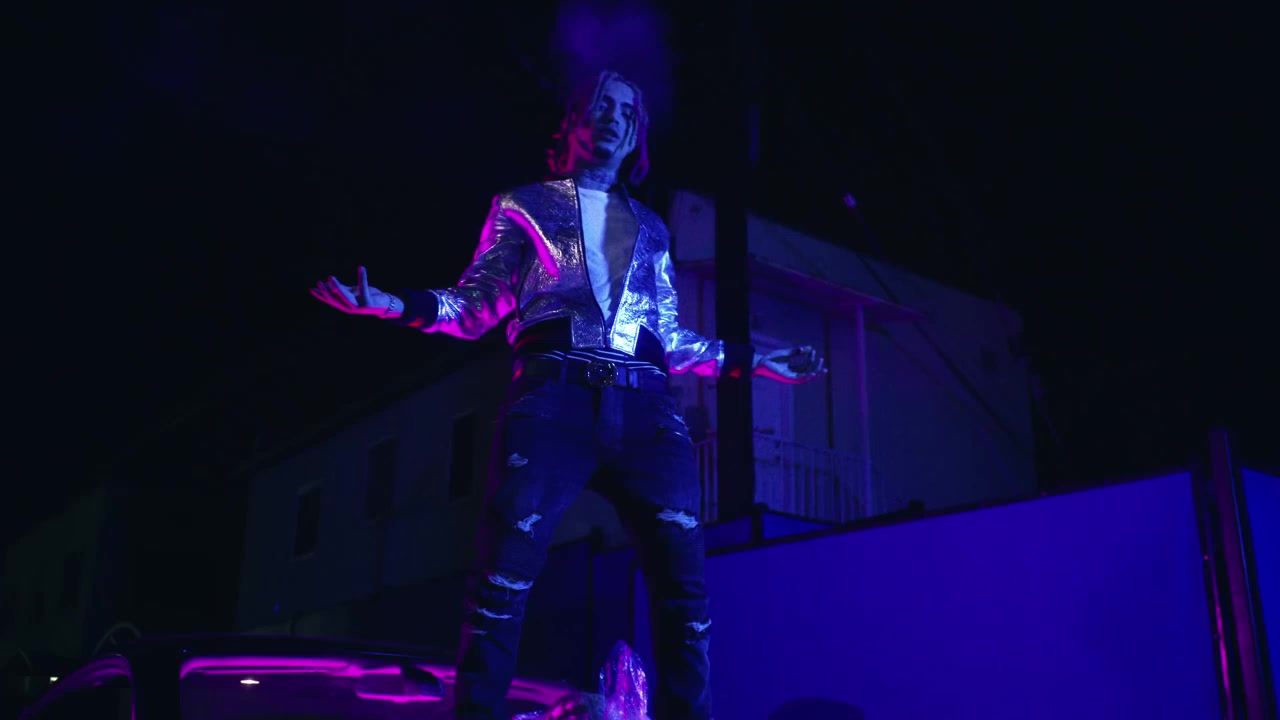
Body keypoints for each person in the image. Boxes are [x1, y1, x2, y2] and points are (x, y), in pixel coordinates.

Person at [311, 70, 825, 720]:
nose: (613, 117)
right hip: (553, 396)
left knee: (686, 594)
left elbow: (669, 337)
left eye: (627, 112)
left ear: (637, 135)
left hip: (647, 409)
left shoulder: (654, 229)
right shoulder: (523, 205)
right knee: (503, 574)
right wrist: (394, 304)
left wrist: (757, 360)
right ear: (575, 120)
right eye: (601, 106)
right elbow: (474, 306)